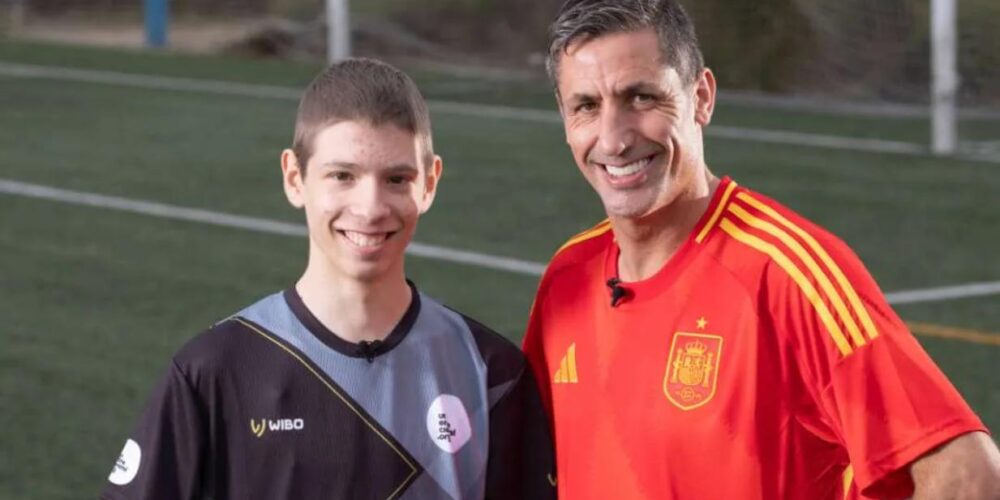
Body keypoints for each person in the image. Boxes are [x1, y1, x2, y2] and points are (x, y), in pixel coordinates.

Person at [521, 1, 1000, 498]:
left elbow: (970, 477)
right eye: (586, 107)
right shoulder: (567, 277)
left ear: (701, 97)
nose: (614, 138)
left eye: (640, 97)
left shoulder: (790, 273)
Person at [102, 58, 556, 500]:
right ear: (294, 178)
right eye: (342, 176)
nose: (371, 207)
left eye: (397, 179)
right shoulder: (213, 372)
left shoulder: (491, 373)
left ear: (430, 183)